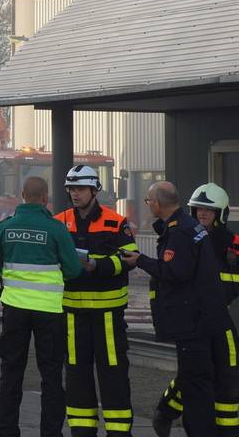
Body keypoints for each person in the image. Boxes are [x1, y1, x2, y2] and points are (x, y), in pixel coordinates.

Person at [122, 181, 228, 437]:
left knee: (194, 386)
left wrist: (141, 261)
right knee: (197, 380)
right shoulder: (189, 227)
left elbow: (175, 272)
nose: (148, 205)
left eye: (149, 201)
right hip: (202, 319)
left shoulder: (180, 231)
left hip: (191, 322)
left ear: (158, 203)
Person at [0, 175, 83, 437]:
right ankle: (50, 433)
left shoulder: (6, 227)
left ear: (22, 195)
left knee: (11, 373)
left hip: (14, 312)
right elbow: (73, 269)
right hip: (49, 312)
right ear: (45, 198)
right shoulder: (56, 229)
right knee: (51, 377)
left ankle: (6, 432)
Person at [54, 165, 139, 435]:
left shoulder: (116, 222)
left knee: (113, 374)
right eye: (71, 189)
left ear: (94, 190)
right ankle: (81, 431)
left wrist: (97, 265)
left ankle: (118, 431)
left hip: (108, 315)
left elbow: (129, 261)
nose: (74, 194)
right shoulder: (59, 222)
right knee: (77, 376)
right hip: (73, 314)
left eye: (80, 189)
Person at [150, 182, 239, 436]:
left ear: (220, 214)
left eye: (208, 211)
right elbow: (164, 280)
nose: (202, 214)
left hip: (219, 318)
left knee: (228, 372)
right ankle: (167, 409)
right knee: (195, 373)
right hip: (194, 319)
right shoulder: (183, 237)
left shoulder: (234, 245)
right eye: (198, 210)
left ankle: (229, 430)